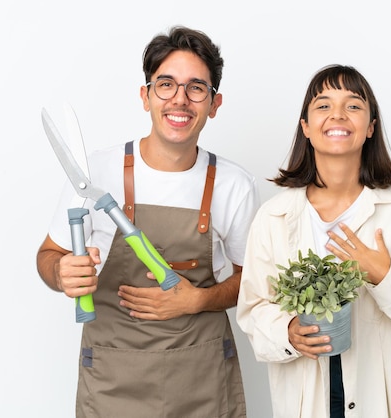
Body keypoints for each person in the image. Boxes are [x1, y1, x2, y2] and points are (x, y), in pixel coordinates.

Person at [37, 26, 259, 418]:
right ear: (145, 96)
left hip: (202, 381)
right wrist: (61, 273)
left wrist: (200, 299)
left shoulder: (233, 184)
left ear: (214, 102)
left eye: (196, 88)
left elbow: (253, 281)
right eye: (166, 84)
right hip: (112, 381)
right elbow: (49, 254)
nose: (180, 99)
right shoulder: (95, 170)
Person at [236, 64, 391, 418]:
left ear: (370, 127)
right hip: (305, 396)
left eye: (353, 105)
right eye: (323, 105)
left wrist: (385, 277)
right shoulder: (273, 216)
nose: (337, 115)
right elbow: (252, 308)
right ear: (305, 126)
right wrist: (287, 332)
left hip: (379, 398)